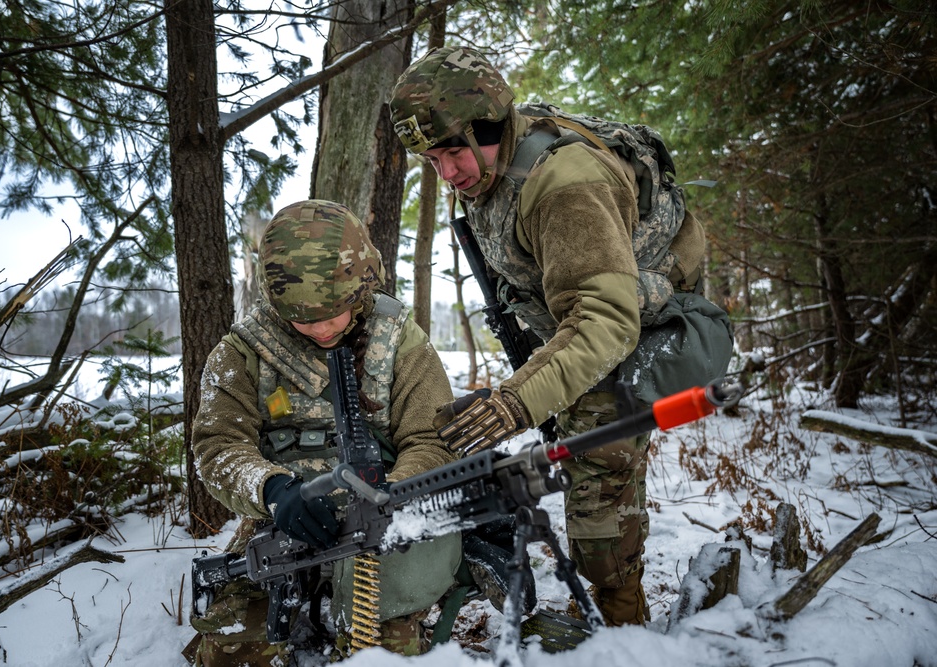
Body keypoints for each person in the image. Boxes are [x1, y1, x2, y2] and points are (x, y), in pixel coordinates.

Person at [389, 46, 711, 627]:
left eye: (454, 152)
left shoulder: (565, 185)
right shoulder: (493, 160)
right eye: (430, 160)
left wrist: (518, 398)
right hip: (582, 311)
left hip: (639, 318)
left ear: (489, 125)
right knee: (566, 422)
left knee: (596, 476)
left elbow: (605, 321)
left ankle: (624, 628)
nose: (447, 175)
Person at [185, 199, 462, 665]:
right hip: (284, 522)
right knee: (233, 649)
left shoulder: (399, 339)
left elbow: (432, 437)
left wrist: (393, 495)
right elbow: (216, 447)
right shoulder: (242, 353)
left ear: (362, 283)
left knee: (383, 647)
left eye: (331, 311)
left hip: (383, 521)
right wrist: (273, 489)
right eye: (301, 317)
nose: (317, 328)